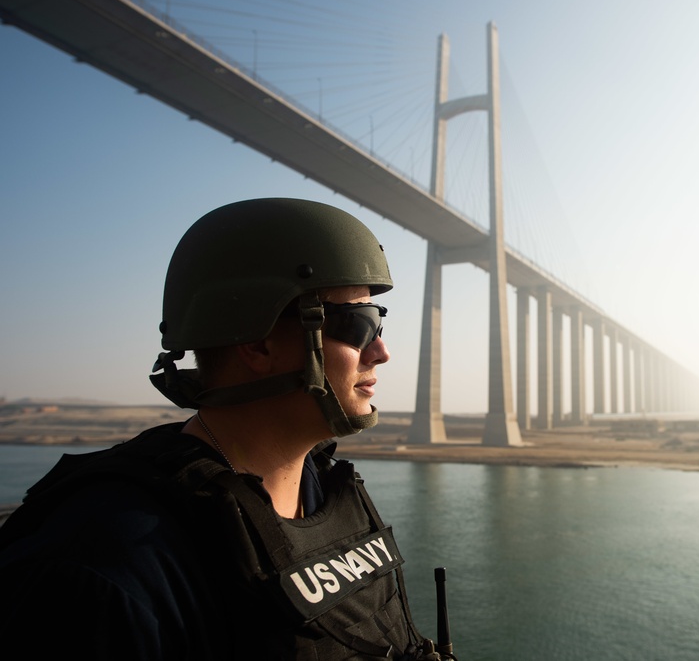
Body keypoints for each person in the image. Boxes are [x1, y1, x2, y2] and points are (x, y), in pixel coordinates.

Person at [0, 198, 448, 660]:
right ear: (256, 342)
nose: (381, 352)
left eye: (378, 320)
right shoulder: (107, 567)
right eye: (358, 323)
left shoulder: (330, 492)